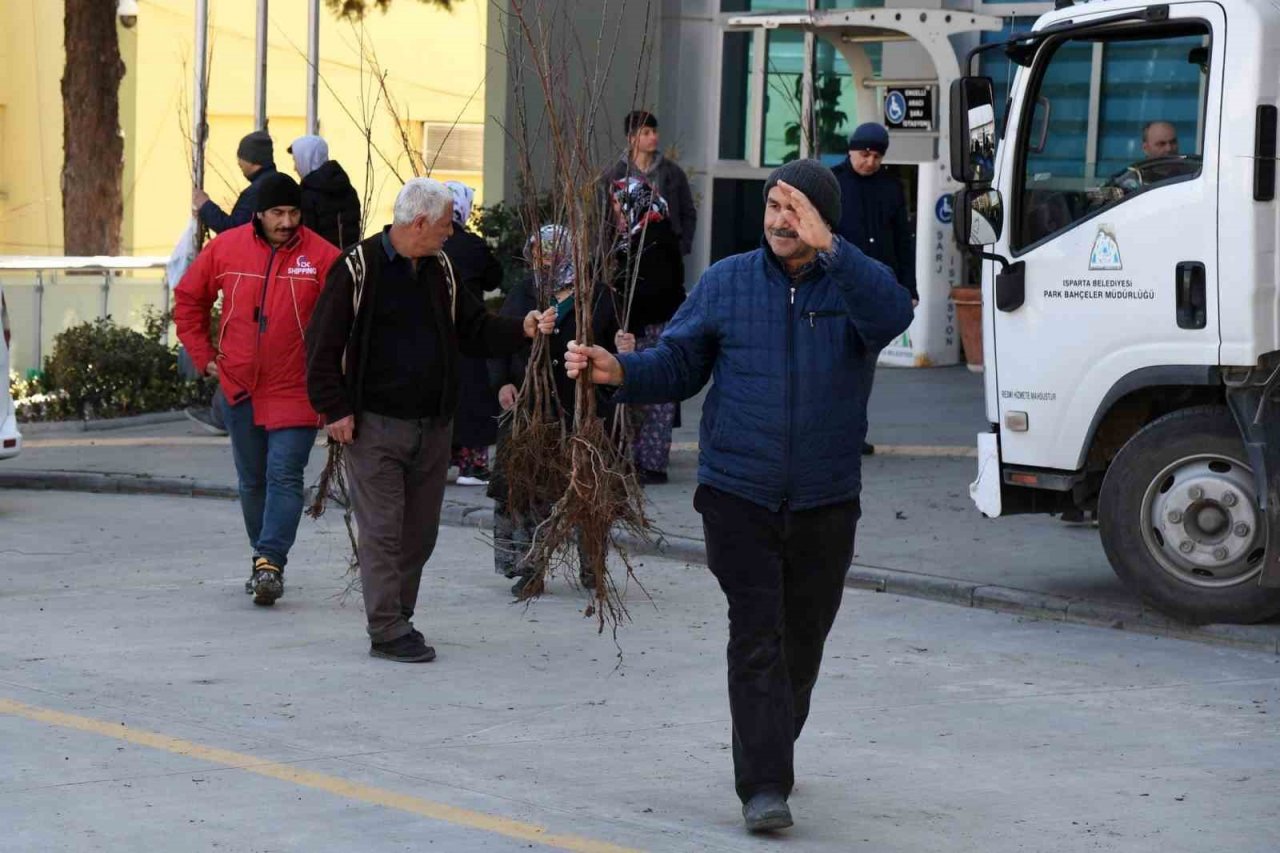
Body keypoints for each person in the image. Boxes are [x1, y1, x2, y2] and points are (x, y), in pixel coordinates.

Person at [564, 160, 914, 833]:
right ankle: (763, 785)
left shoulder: (853, 287)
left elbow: (895, 314)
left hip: (825, 499)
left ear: (823, 221)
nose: (781, 220)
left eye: (796, 209)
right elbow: (679, 363)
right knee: (756, 635)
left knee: (802, 642)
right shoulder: (727, 282)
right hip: (738, 495)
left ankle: (774, 738)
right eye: (774, 205)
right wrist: (620, 372)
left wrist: (834, 250)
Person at [305, 178, 555, 664]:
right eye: (445, 225)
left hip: (434, 425)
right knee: (383, 531)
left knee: (420, 534)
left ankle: (399, 615)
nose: (450, 232)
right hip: (374, 426)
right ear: (419, 223)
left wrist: (521, 329)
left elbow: (473, 329)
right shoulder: (357, 268)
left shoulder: (441, 269)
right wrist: (333, 409)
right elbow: (321, 345)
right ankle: (386, 629)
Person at [175, 173, 340, 605]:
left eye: (294, 212)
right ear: (259, 214)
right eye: (277, 213)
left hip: (296, 387)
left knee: (284, 475)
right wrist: (203, 355)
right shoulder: (226, 248)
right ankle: (262, 558)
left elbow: (349, 319)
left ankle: (270, 562)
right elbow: (189, 299)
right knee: (252, 481)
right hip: (240, 386)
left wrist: (335, 379)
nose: (286, 222)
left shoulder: (323, 257)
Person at [487, 225, 619, 593]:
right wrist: (502, 382)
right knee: (526, 488)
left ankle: (592, 567)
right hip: (531, 406)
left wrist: (626, 348)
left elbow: (614, 349)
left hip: (581, 407)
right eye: (536, 253)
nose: (539, 261)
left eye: (547, 253)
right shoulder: (526, 291)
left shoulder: (598, 295)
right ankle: (530, 568)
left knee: (586, 489)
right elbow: (501, 337)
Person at [831, 122, 917, 456]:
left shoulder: (891, 187)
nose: (870, 162)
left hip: (877, 287)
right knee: (833, 359)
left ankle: (853, 432)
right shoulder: (833, 183)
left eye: (877, 156)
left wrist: (909, 286)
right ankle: (828, 430)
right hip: (837, 286)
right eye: (864, 154)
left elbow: (903, 239)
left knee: (865, 363)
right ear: (851, 151)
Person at [608, 176, 685, 485]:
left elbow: (652, 290)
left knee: (653, 396)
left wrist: (628, 318)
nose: (615, 211)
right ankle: (638, 460)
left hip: (654, 328)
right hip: (645, 326)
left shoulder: (653, 238)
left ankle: (649, 464)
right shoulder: (638, 234)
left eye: (618, 204)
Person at [443, 181, 504, 486]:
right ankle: (472, 465)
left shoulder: (426, 241)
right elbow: (494, 278)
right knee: (472, 394)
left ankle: (437, 461)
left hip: (434, 331)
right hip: (470, 331)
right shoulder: (472, 245)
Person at [602, 110, 697, 256]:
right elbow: (603, 217)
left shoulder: (672, 172)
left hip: (665, 251)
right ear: (632, 138)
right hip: (626, 253)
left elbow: (688, 212)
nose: (653, 137)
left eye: (654, 131)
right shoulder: (615, 175)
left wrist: (682, 246)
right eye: (646, 133)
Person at [192, 130, 277, 235]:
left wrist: (205, 205)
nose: (238, 162)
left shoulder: (256, 192)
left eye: (241, 157)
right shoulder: (282, 183)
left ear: (252, 159)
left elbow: (233, 230)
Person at [289, 135, 362, 249]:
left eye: (296, 160)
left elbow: (306, 241)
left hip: (319, 258)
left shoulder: (308, 195)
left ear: (306, 158)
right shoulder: (347, 189)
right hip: (347, 257)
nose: (295, 168)